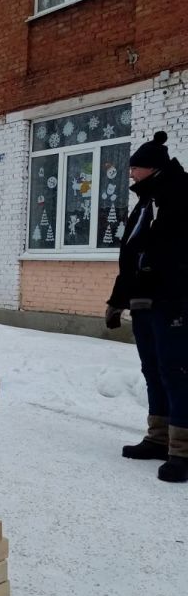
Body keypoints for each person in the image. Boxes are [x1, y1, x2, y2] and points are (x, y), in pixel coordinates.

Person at [106, 130, 188, 483]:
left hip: (174, 302)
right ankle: (158, 439)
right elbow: (131, 256)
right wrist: (116, 301)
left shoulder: (181, 195)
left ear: (151, 168)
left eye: (135, 168)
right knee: (153, 370)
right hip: (144, 303)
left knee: (177, 372)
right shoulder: (146, 201)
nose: (130, 175)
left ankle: (182, 451)